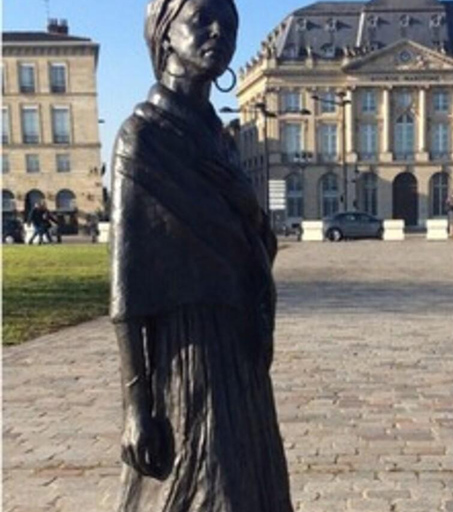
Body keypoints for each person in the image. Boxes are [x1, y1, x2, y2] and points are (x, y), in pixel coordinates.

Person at [110, 0, 292, 510]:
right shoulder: (142, 138)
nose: (220, 33)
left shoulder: (221, 140)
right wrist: (136, 405)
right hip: (186, 352)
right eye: (204, 20)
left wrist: (247, 204)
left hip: (237, 348)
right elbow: (126, 288)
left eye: (230, 24)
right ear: (166, 34)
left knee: (255, 488)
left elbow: (258, 249)